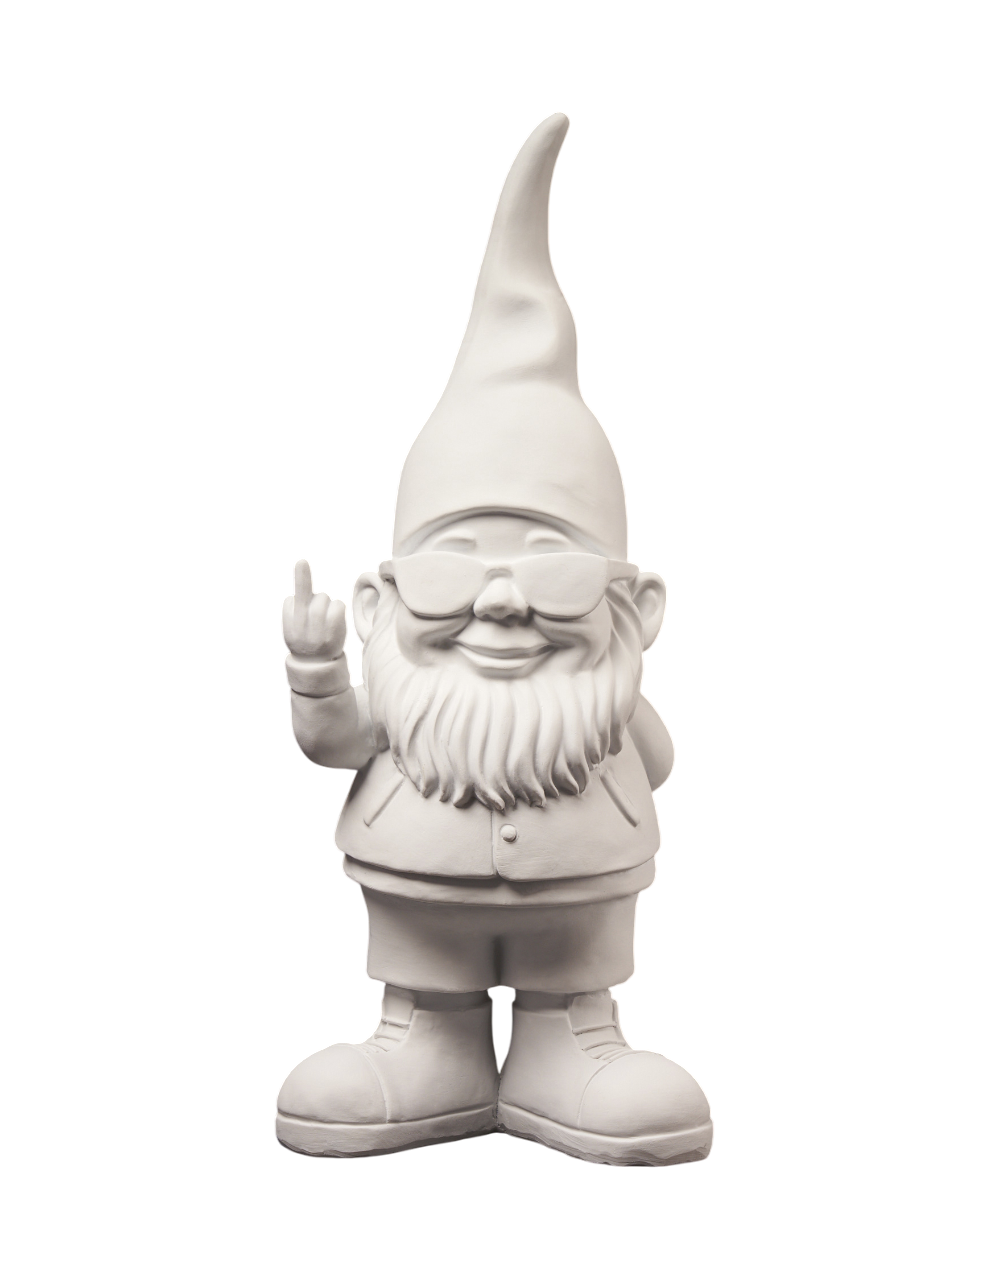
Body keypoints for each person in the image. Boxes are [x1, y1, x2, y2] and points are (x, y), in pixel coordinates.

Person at [276, 114, 711, 1166]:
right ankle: (426, 1036)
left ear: (635, 605)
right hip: (417, 902)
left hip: (582, 905)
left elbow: (659, 759)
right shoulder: (400, 695)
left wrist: (612, 706)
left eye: (551, 564)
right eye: (454, 564)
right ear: (380, 598)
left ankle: (574, 1038)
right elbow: (335, 740)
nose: (502, 605)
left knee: (573, 991)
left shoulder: (605, 701)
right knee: (424, 993)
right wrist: (315, 671)